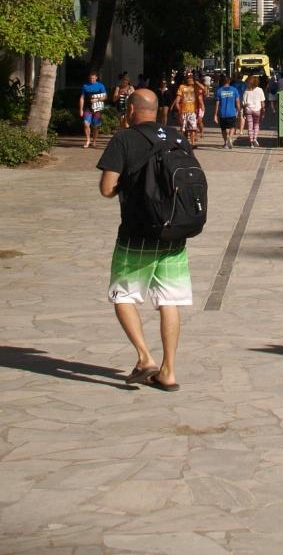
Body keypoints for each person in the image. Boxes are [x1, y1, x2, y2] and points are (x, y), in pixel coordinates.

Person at [97, 88, 191, 391]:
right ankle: (169, 372)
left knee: (123, 296)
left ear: (131, 110)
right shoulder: (177, 137)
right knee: (169, 301)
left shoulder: (124, 138)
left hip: (137, 233)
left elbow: (106, 188)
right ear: (157, 110)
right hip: (173, 234)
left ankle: (144, 357)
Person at [172, 71, 202, 146]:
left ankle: (193, 143)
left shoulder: (195, 87)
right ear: (186, 79)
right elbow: (177, 100)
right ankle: (184, 143)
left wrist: (196, 83)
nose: (190, 80)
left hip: (192, 111)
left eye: (191, 79)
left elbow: (204, 89)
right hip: (183, 111)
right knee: (183, 129)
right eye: (188, 79)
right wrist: (179, 109)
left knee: (193, 129)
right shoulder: (182, 87)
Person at [79, 70, 107, 149]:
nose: (92, 80)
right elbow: (82, 98)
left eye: (93, 78)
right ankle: (88, 140)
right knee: (86, 124)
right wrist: (81, 109)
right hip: (88, 108)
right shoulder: (85, 86)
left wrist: (97, 100)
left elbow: (105, 97)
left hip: (97, 108)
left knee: (95, 126)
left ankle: (94, 141)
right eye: (90, 78)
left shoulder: (100, 86)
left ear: (96, 78)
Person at [214, 74, 240, 148]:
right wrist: (239, 111)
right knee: (232, 127)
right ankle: (230, 138)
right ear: (229, 81)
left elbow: (217, 104)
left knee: (223, 129)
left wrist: (215, 115)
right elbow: (237, 102)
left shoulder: (219, 91)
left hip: (222, 113)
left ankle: (225, 143)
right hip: (232, 112)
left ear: (222, 81)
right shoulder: (234, 90)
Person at [242, 75, 266, 148]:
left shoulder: (246, 91)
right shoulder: (260, 90)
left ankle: (251, 142)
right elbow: (262, 102)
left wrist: (243, 111)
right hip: (257, 110)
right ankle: (255, 139)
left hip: (248, 110)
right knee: (256, 125)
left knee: (249, 126)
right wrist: (263, 110)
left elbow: (243, 103)